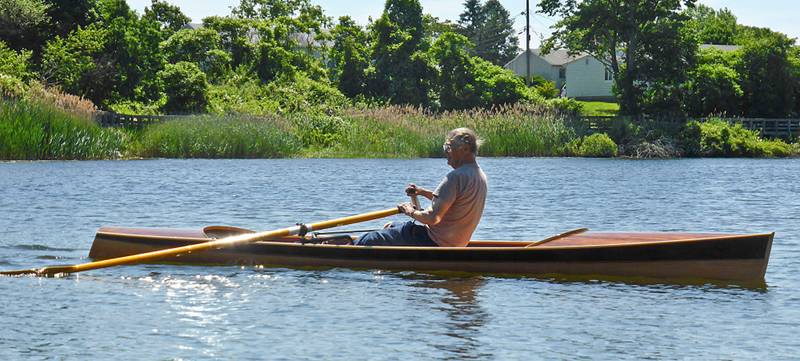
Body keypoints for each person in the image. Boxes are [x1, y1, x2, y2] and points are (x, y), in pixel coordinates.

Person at [353, 128, 488, 247]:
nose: (446, 152)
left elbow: (432, 218)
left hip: (431, 241)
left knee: (369, 240)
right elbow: (452, 202)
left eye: (449, 148)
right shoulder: (479, 175)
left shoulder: (456, 177)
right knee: (390, 226)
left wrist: (409, 211)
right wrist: (422, 192)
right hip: (454, 244)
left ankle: (349, 253)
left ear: (465, 149)